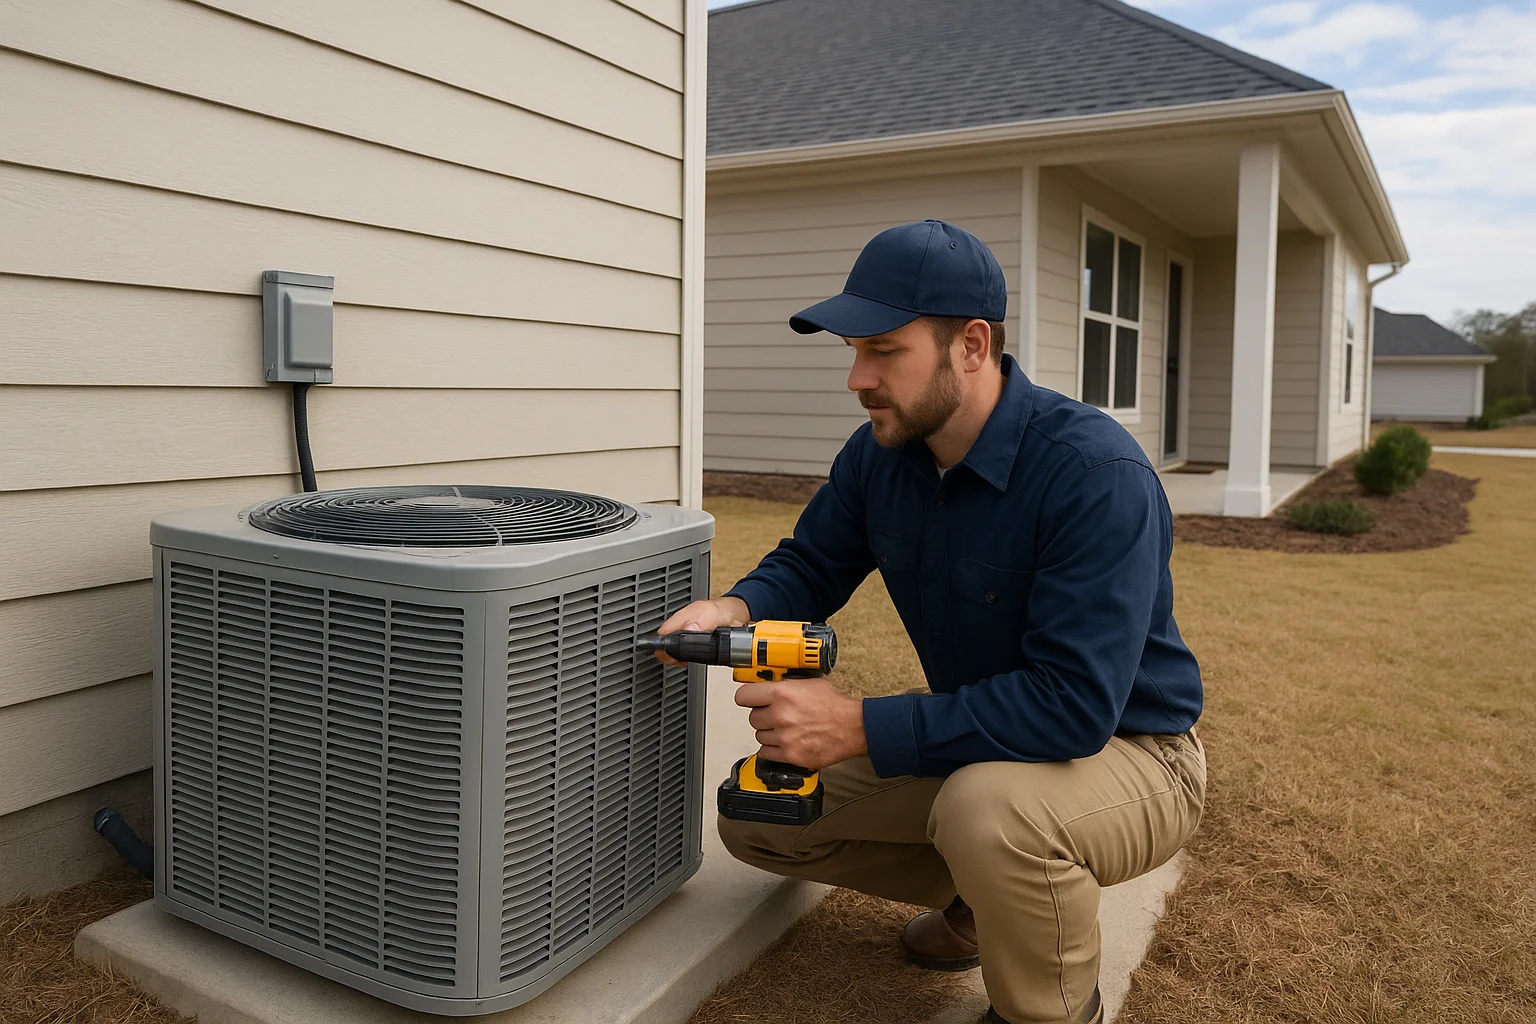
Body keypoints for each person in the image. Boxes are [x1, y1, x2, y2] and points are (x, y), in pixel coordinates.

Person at [654, 219, 1205, 1024]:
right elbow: (811, 563)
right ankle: (993, 900)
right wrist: (732, 607)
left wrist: (855, 725)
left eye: (883, 351)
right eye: (852, 351)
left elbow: (1074, 706)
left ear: (972, 346)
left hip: (1135, 753)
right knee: (762, 812)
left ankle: (1048, 1008)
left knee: (988, 812)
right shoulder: (881, 454)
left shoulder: (1094, 475)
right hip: (992, 747)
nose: (856, 377)